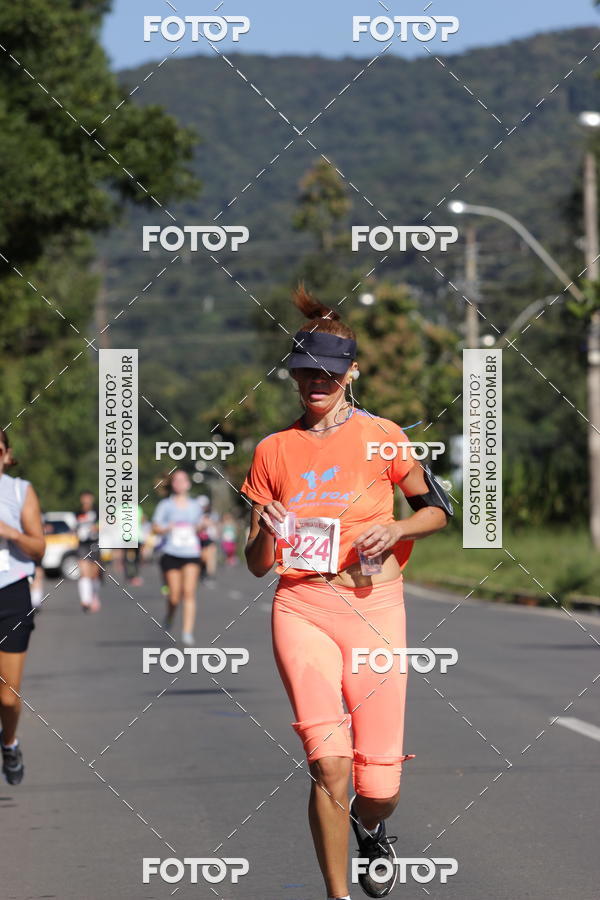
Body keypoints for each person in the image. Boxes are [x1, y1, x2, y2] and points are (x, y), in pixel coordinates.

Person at [242, 286, 452, 900]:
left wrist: (398, 527)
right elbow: (257, 565)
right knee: (329, 763)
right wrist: (268, 531)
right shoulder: (272, 451)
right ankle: (337, 895)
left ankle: (371, 827)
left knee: (379, 787)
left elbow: (435, 510)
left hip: (375, 609)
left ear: (351, 373)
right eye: (304, 371)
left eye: (327, 374)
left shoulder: (384, 436)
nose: (314, 383)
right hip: (301, 605)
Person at [0, 428, 45, 784]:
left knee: (8, 696)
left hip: (10, 593)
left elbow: (39, 548)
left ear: (5, 454)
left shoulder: (19, 490)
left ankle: (10, 742)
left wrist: (10, 533)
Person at [152, 470, 204, 646]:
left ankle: (187, 632)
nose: (180, 483)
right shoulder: (165, 505)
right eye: (177, 480)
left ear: (188, 484)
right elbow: (156, 527)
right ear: (172, 484)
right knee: (174, 596)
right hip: (171, 552)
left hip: (191, 553)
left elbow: (200, 525)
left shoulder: (195, 505)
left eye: (183, 480)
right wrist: (168, 527)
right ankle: (170, 615)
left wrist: (201, 526)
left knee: (189, 593)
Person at [75, 490, 101, 613]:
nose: (86, 501)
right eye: (84, 498)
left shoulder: (97, 512)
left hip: (95, 544)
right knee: (84, 573)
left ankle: (94, 595)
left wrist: (97, 527)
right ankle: (85, 601)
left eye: (88, 498)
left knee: (94, 574)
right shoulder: (77, 513)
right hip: (82, 545)